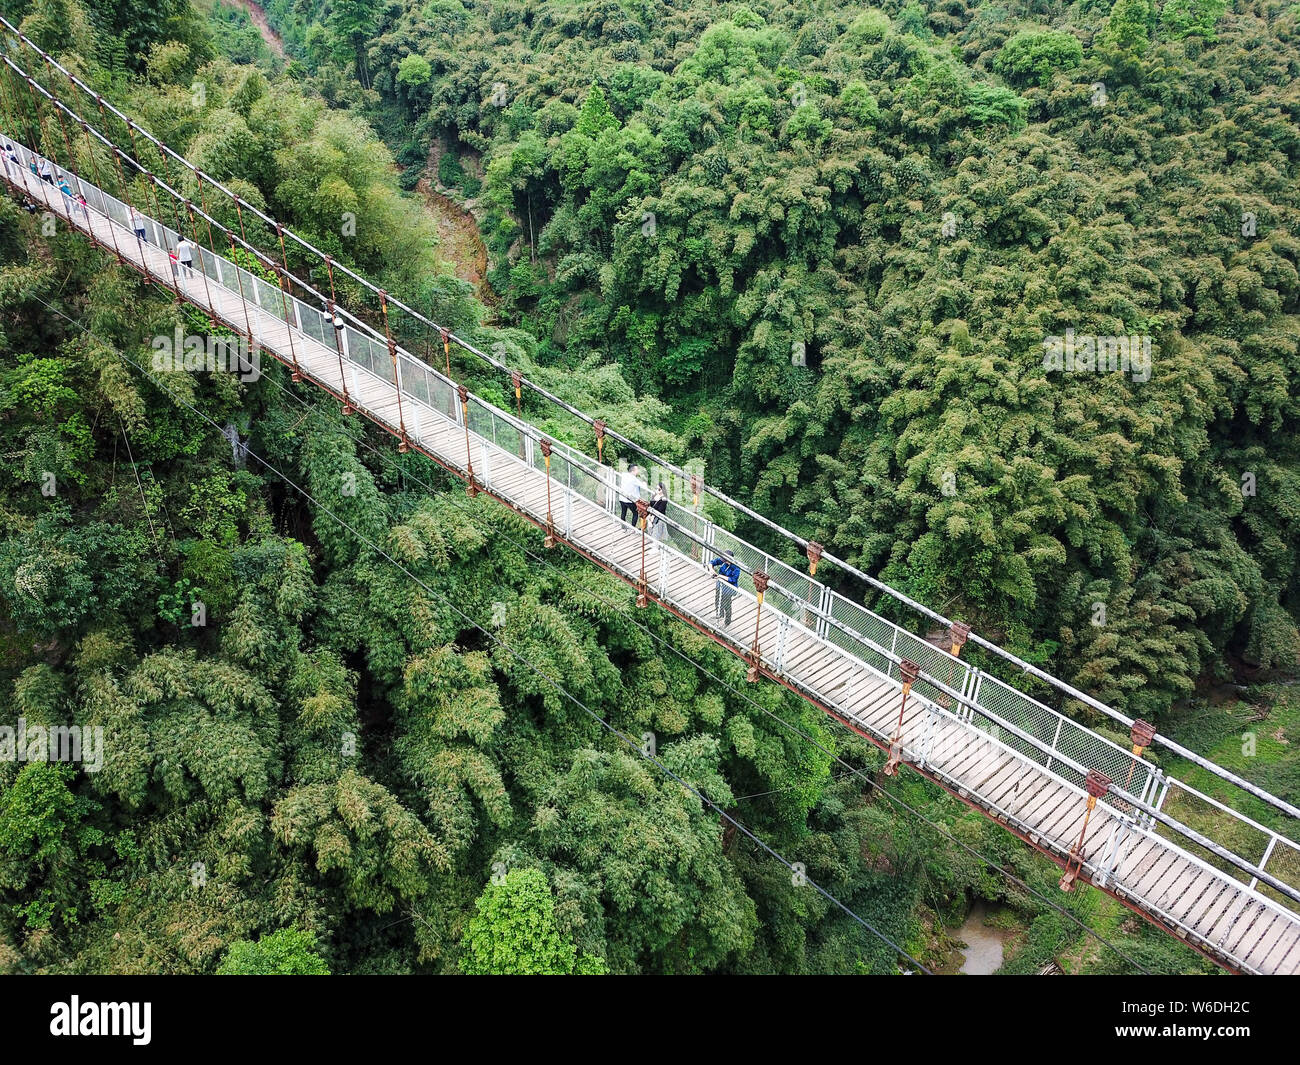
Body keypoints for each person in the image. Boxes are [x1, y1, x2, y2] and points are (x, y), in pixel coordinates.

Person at [710, 549, 741, 626]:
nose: (724, 562)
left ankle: (727, 621)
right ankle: (719, 614)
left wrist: (720, 576)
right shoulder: (723, 561)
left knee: (727, 604)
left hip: (729, 589)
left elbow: (733, 579)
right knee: (717, 600)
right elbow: (712, 562)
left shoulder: (736, 567)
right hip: (720, 585)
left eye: (726, 560)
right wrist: (711, 569)